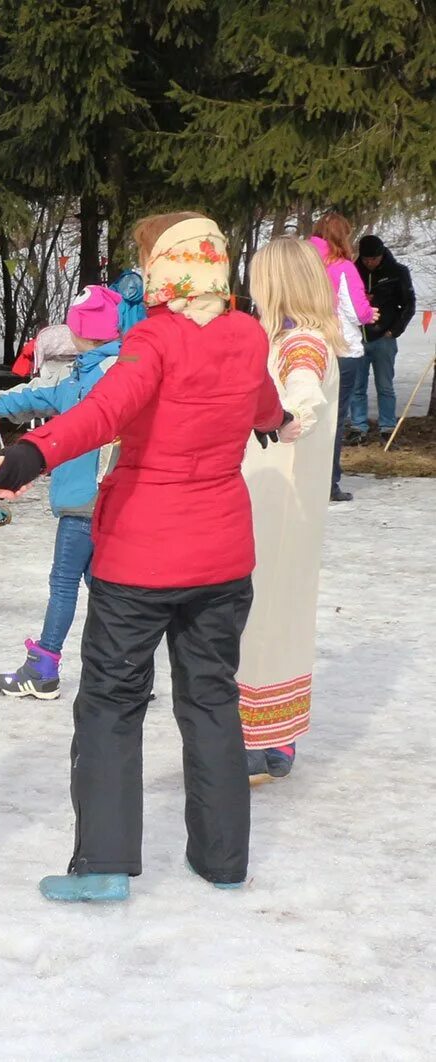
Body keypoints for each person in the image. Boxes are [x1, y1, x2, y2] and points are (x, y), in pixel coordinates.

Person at [0, 212, 286, 901]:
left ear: (163, 272)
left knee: (111, 703)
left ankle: (103, 866)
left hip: (141, 559)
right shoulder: (246, 334)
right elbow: (264, 403)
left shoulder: (152, 341)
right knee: (211, 700)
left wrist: (36, 448)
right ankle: (224, 862)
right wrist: (270, 424)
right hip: (221, 556)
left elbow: (105, 411)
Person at [0, 286, 127, 699]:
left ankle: (43, 668)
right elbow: (36, 396)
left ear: (82, 331)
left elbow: (40, 397)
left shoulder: (97, 378)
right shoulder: (96, 372)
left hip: (85, 502)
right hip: (104, 501)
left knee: (64, 582)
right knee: (103, 587)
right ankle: (123, 672)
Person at [238, 238, 342, 783]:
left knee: (262, 612)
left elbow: (302, 390)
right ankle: (275, 736)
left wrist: (289, 415)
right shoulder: (293, 337)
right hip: (279, 496)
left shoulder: (300, 342)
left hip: (274, 498)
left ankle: (261, 741)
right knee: (276, 610)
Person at [312, 213, 376, 501]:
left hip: (307, 345)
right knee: (334, 418)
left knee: (306, 414)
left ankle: (303, 480)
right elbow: (356, 310)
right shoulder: (343, 267)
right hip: (341, 346)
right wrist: (370, 313)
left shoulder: (303, 262)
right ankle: (328, 482)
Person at [355, 234, 419, 441]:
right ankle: (358, 427)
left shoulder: (397, 272)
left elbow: (408, 305)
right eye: (366, 259)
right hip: (357, 338)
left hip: (384, 337)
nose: (370, 263)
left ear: (382, 255)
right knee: (357, 386)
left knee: (385, 385)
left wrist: (394, 331)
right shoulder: (353, 271)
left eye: (373, 259)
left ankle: (387, 427)